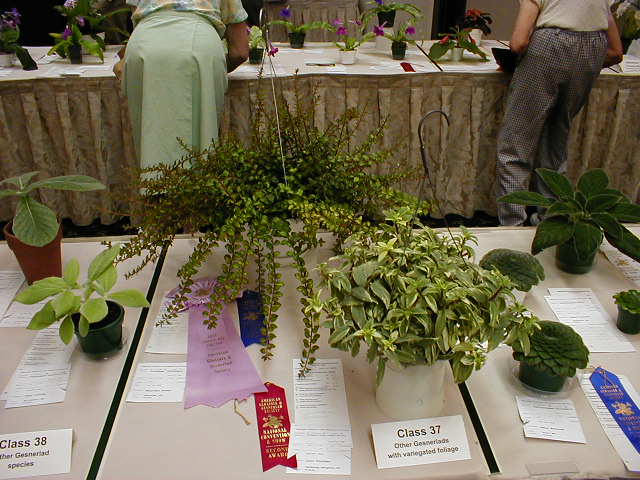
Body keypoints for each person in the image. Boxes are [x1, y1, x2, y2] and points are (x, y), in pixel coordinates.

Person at [495, 0, 623, 226]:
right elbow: (615, 52)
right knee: (555, 140)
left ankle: (512, 225)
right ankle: (552, 221)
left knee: (515, 145)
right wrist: (579, 65)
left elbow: (519, 42)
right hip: (592, 48)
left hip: (549, 46)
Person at [114, 0, 249, 172]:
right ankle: (197, 192)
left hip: (145, 49)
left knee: (151, 143)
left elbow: (136, 17)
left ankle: (154, 190)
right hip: (200, 49)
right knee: (201, 147)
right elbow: (240, 51)